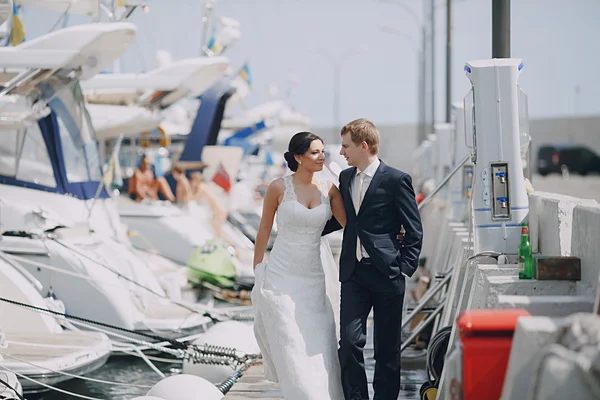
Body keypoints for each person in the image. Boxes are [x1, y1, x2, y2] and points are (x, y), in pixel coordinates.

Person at [322, 118, 423, 400]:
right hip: (353, 274)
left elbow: (414, 229)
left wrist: (403, 267)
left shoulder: (396, 179)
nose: (342, 152)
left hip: (387, 274)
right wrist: (305, 227)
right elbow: (343, 220)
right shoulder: (345, 178)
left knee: (387, 348)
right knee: (351, 343)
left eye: (346, 146)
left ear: (363, 146)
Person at [251, 131, 347, 400]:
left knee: (317, 343)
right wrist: (258, 267)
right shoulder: (278, 187)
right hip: (281, 275)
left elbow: (349, 223)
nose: (321, 157)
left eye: (322, 151)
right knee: (289, 340)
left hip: (313, 277)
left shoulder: (329, 188)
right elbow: (264, 229)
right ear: (298, 157)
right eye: (314, 152)